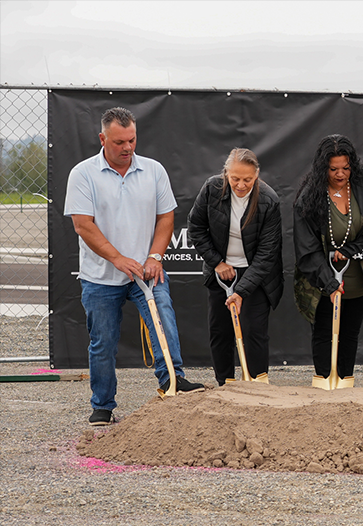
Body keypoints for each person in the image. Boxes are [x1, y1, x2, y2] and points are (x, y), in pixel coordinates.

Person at [64, 107, 204, 426]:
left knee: (163, 321)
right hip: (100, 278)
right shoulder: (82, 174)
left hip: (146, 272)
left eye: (132, 140)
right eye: (119, 142)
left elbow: (166, 217)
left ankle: (172, 381)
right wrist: (117, 258)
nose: (127, 148)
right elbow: (83, 225)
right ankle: (102, 405)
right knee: (103, 341)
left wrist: (154, 256)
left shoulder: (153, 170)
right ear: (103, 139)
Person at [293, 135, 363, 380]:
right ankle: (325, 380)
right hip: (322, 282)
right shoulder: (309, 197)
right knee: (324, 332)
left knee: (349, 333)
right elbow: (306, 250)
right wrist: (330, 283)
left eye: (346, 168)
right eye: (333, 169)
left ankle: (346, 380)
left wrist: (350, 250)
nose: (340, 174)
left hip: (359, 278)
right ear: (322, 168)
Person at [187, 148, 284, 386]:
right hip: (221, 272)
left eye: (248, 180)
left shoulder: (268, 200)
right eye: (235, 179)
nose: (241, 185)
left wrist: (241, 291)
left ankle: (258, 384)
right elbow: (196, 227)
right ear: (226, 174)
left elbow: (267, 253)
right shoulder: (212, 189)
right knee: (221, 332)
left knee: (253, 332)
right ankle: (226, 384)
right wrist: (217, 263)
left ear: (257, 175)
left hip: (256, 276)